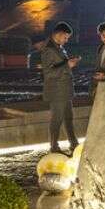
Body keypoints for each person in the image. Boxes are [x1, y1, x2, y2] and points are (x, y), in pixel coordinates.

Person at [40, 22, 80, 154]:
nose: (66, 40)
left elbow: (61, 64)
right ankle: (54, 146)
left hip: (64, 90)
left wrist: (70, 62)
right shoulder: (49, 49)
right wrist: (67, 65)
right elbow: (48, 73)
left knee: (69, 117)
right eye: (66, 37)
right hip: (56, 91)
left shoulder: (58, 46)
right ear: (59, 34)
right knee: (57, 119)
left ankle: (74, 143)